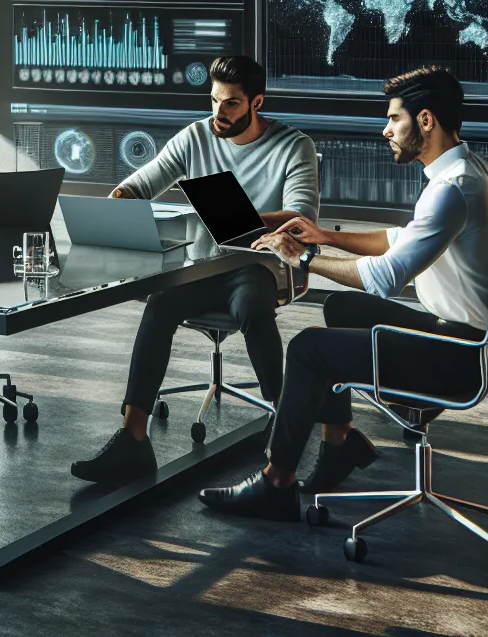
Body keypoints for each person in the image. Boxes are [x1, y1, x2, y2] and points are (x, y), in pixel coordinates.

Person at [197, 65, 488, 520]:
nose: (386, 131)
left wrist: (299, 257)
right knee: (343, 307)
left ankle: (275, 482)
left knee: (307, 350)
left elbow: (385, 277)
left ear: (425, 121)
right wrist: (325, 237)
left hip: (456, 354)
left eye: (394, 120)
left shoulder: (451, 189)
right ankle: (339, 443)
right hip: (466, 338)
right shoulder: (469, 170)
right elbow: (401, 239)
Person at [71, 55, 318, 485]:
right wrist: (123, 196)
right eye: (214, 101)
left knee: (253, 307)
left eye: (231, 105)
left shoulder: (294, 146)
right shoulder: (196, 136)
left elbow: (302, 219)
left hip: (258, 264)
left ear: (256, 101)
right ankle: (133, 439)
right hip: (205, 264)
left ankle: (283, 425)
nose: (218, 114)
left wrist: (239, 217)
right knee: (161, 302)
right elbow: (145, 181)